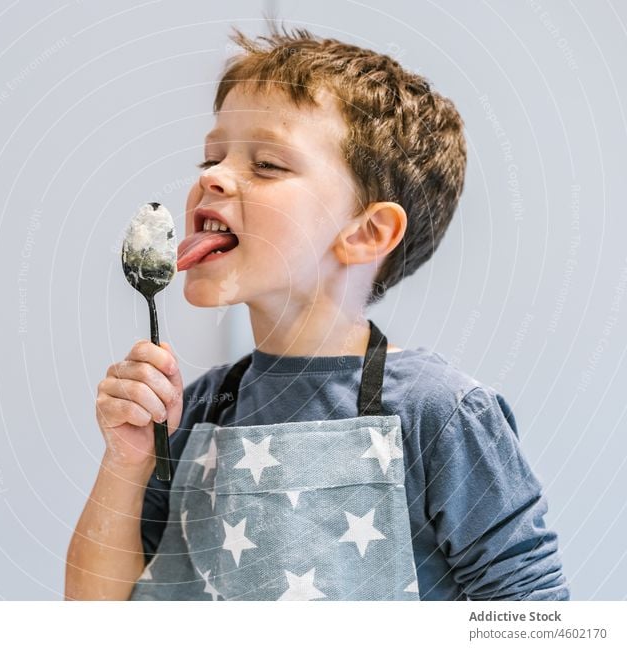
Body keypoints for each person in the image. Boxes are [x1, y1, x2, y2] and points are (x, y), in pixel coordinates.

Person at [65, 23, 569, 601]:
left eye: (267, 165)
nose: (211, 176)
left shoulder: (440, 414)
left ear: (365, 233)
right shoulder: (193, 413)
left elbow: (531, 612)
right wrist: (127, 464)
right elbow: (96, 614)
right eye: (212, 156)